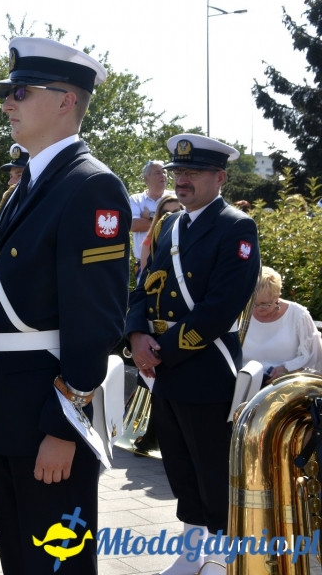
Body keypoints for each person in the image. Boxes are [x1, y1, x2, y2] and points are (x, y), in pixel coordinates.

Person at [0, 38, 131, 575]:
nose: (6, 103)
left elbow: (97, 321)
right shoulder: (30, 184)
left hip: (48, 413)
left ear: (66, 100)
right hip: (10, 409)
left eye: (19, 91)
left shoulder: (91, 185)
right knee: (21, 560)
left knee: (55, 563)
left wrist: (65, 427)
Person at [126, 133, 260, 574]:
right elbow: (146, 287)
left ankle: (222, 556)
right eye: (178, 172)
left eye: (192, 173)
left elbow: (222, 306)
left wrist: (161, 351)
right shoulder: (170, 226)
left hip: (204, 364)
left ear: (218, 177)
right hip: (163, 365)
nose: (181, 181)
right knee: (180, 463)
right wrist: (135, 335)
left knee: (211, 465)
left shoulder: (236, 226)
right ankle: (190, 551)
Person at [242, 266, 322, 383]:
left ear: (277, 297)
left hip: (286, 384)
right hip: (245, 381)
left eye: (265, 304)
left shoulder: (298, 315)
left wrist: (287, 368)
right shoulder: (242, 312)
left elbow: (313, 355)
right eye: (254, 303)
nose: (258, 309)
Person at [129, 160, 173, 276]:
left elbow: (178, 222)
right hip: (144, 265)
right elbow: (133, 225)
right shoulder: (136, 199)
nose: (163, 175)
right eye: (158, 173)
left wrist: (150, 215)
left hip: (171, 263)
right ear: (146, 179)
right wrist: (166, 220)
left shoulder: (174, 197)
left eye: (164, 172)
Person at [138, 194, 183, 274]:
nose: (171, 217)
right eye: (166, 213)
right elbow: (145, 275)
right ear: (160, 216)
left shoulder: (191, 234)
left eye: (176, 212)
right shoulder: (150, 241)